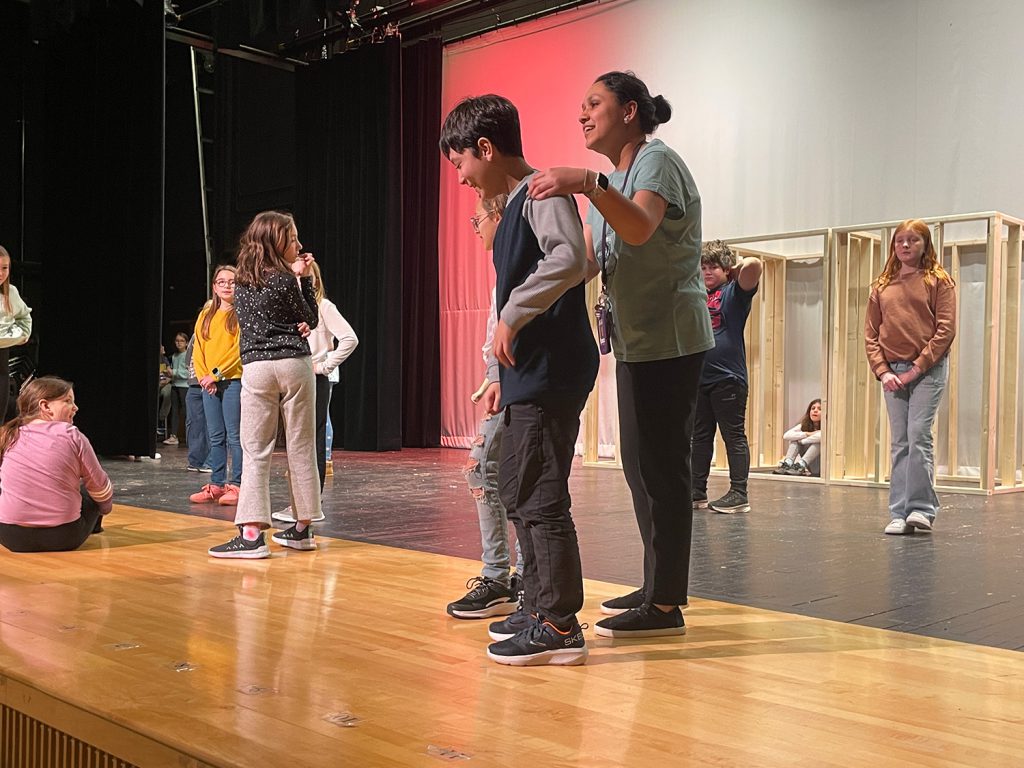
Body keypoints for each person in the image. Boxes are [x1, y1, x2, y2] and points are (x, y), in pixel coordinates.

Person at [529, 71, 713, 638]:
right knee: (640, 466)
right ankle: (657, 585)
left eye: (594, 104)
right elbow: (586, 263)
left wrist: (585, 182)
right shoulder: (610, 181)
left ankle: (664, 604)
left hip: (671, 339)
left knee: (660, 468)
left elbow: (638, 229)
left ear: (629, 110)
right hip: (639, 340)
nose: (582, 115)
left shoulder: (653, 162)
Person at [441, 94, 598, 665]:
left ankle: (558, 626)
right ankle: (538, 606)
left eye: (460, 163)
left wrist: (512, 314)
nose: (460, 178)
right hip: (529, 372)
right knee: (516, 486)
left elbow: (569, 259)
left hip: (553, 367)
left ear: (486, 148)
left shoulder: (540, 193)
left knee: (539, 491)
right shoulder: (511, 208)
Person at [208, 210, 321, 559]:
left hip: (257, 367)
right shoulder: (287, 279)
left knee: (255, 449)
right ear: (276, 242)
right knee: (301, 444)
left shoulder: (242, 282)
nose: (299, 245)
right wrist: (301, 280)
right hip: (294, 365)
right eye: (292, 239)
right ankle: (302, 529)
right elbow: (312, 319)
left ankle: (252, 534)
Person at [446, 193, 524, 620]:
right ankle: (507, 577)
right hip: (507, 379)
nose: (476, 229)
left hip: (524, 382)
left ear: (497, 215)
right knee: (493, 470)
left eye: (478, 220)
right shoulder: (502, 271)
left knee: (490, 468)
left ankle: (507, 577)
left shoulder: (518, 260)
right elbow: (498, 329)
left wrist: (499, 374)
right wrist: (492, 374)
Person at [865, 219, 956, 535]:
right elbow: (871, 334)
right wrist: (883, 371)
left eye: (913, 240)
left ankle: (921, 509)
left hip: (927, 370)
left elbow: (945, 330)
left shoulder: (938, 281)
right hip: (893, 371)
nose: (905, 246)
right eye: (900, 240)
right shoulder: (881, 285)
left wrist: (918, 367)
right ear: (893, 245)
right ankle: (899, 512)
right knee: (900, 441)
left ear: (924, 244)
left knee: (918, 435)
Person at [272, 260, 358, 524]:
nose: (297, 283)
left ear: (314, 282)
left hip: (314, 379)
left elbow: (350, 338)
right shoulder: (287, 309)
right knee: (297, 440)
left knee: (312, 440)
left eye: (304, 279)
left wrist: (324, 365)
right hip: (292, 377)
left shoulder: (323, 307)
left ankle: (310, 503)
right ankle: (301, 503)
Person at [0, 377, 113, 553]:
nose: (75, 408)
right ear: (45, 406)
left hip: (10, 537)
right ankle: (94, 528)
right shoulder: (72, 435)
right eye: (68, 401)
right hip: (64, 536)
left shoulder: (9, 435)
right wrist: (103, 509)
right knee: (89, 492)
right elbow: (100, 487)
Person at [691, 239, 762, 514]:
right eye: (704, 267)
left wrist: (734, 267)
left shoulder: (734, 293)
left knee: (732, 435)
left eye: (714, 267)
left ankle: (738, 492)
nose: (708, 272)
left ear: (726, 270)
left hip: (728, 378)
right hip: (699, 378)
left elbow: (754, 266)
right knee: (699, 437)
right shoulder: (695, 295)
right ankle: (696, 491)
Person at [190, 266, 243, 506]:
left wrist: (216, 375)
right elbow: (198, 349)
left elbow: (239, 351)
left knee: (235, 436)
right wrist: (204, 377)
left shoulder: (241, 313)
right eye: (221, 282)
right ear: (214, 286)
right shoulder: (206, 314)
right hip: (207, 383)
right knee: (215, 435)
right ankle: (218, 483)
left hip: (232, 380)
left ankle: (238, 485)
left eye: (231, 282)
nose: (226, 285)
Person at [0, 245, 32, 422]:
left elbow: (24, 316)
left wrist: (23, 335)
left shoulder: (10, 292)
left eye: (4, 268)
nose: (1, 273)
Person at [183, 329, 211, 473]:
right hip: (195, 383)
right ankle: (195, 461)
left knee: (211, 425)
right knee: (195, 425)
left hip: (212, 383)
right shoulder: (196, 334)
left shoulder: (221, 331)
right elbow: (188, 360)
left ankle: (210, 462)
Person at [774, 398, 822, 476]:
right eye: (813, 408)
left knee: (819, 442)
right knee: (795, 438)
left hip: (823, 467)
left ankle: (801, 465)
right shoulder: (804, 425)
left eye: (819, 409)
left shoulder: (828, 427)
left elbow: (821, 436)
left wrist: (803, 441)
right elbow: (786, 436)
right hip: (811, 466)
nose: (815, 410)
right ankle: (788, 464)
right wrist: (807, 434)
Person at [164, 332, 189, 445]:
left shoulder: (188, 355)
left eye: (181, 341)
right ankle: (173, 436)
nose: (179, 343)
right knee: (174, 411)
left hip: (185, 386)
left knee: (186, 411)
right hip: (175, 385)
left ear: (187, 343)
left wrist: (173, 372)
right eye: (177, 341)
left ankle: (189, 435)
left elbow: (188, 372)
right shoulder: (174, 356)